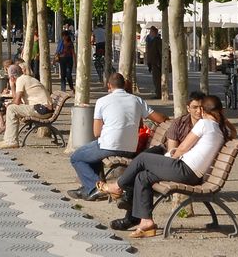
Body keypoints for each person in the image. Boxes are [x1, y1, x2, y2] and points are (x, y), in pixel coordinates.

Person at [97, 94, 233, 238]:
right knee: (143, 177)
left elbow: (183, 148)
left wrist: (170, 158)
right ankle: (146, 223)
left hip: (185, 169)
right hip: (190, 173)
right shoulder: (221, 130)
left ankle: (117, 186)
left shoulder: (204, 124)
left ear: (203, 110)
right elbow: (231, 131)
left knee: (143, 158)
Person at [67, 73, 168, 201]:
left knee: (76, 157)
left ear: (109, 85)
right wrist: (166, 118)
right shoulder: (137, 100)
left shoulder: (102, 101)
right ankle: (88, 187)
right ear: (124, 85)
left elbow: (97, 133)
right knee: (92, 155)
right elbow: (159, 118)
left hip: (109, 145)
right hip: (131, 148)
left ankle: (97, 188)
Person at [0, 64, 52, 148]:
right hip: (41, 108)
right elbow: (17, 100)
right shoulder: (25, 78)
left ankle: (11, 141)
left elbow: (16, 101)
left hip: (41, 109)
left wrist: (12, 86)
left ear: (12, 77)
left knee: (11, 108)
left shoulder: (21, 80)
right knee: (11, 107)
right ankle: (7, 140)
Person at [143, 26, 163, 98]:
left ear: (154, 32)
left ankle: (159, 94)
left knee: (157, 80)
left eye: (151, 32)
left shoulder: (157, 41)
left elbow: (160, 52)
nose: (150, 33)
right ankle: (158, 93)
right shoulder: (150, 40)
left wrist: (159, 62)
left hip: (156, 63)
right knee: (155, 79)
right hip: (153, 62)